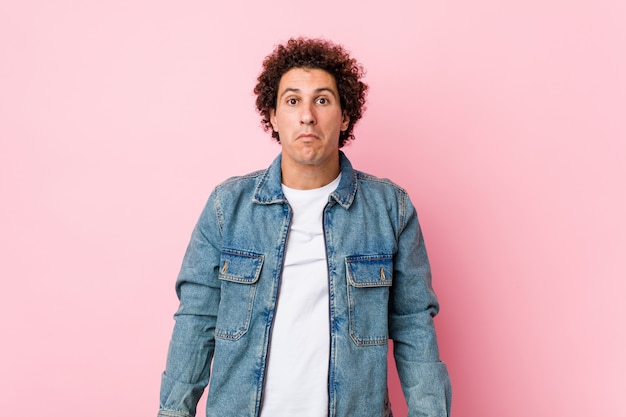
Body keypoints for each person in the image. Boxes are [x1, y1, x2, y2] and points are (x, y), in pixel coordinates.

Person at [158, 37, 451, 417]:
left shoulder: (389, 209)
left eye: (323, 100)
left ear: (345, 116)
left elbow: (414, 328)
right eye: (293, 101)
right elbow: (196, 322)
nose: (307, 116)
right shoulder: (226, 207)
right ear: (274, 115)